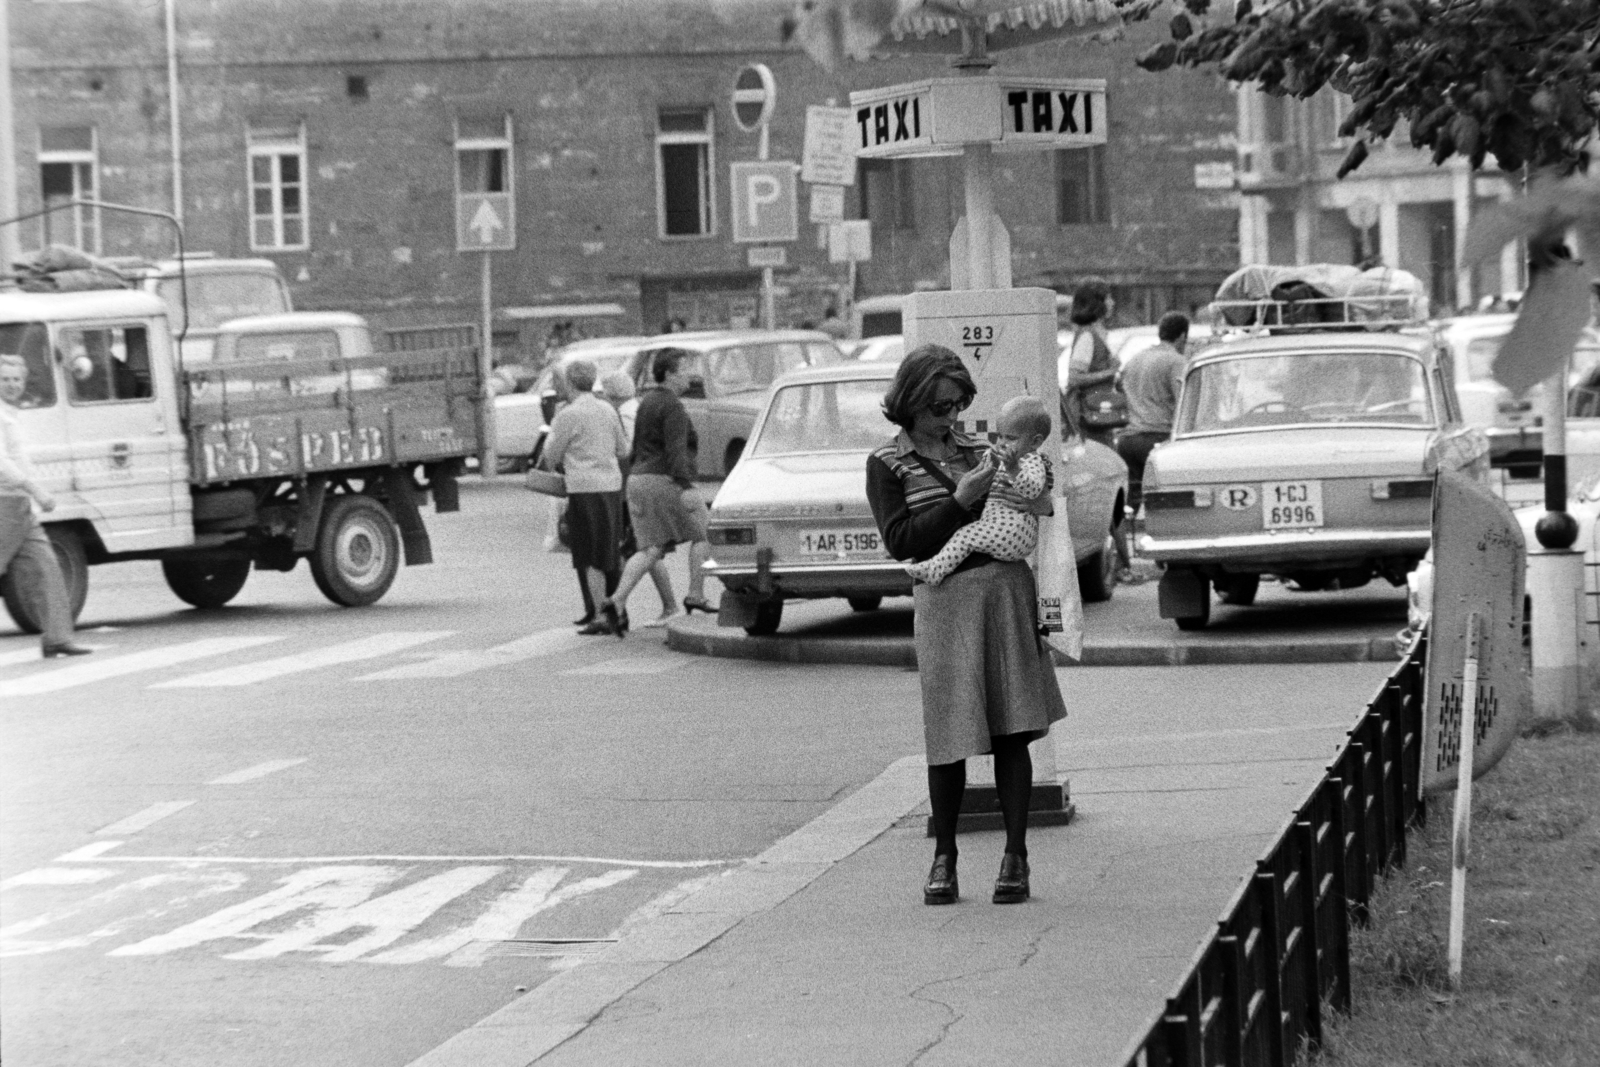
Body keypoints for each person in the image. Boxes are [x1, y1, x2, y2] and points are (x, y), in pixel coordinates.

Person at [866, 345, 1067, 907]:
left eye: (958, 404)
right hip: (945, 600)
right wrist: (959, 500)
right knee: (949, 734)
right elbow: (903, 542)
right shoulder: (887, 463)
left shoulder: (984, 447)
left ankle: (1016, 857)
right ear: (909, 403)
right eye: (939, 407)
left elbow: (1033, 498)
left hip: (1005, 590)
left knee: (1013, 728)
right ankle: (945, 856)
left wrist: (1037, 489)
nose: (951, 417)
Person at [600, 349, 714, 628]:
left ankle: (616, 599)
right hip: (665, 479)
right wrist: (685, 485)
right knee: (706, 533)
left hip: (638, 480)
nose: (690, 375)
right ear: (671, 374)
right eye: (685, 369)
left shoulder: (647, 401)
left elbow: (636, 447)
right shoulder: (673, 405)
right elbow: (676, 450)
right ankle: (696, 594)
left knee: (651, 548)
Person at [905, 395, 1052, 586]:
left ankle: (936, 570)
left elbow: (1032, 491)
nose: (1001, 443)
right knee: (969, 539)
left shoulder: (1031, 460)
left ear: (1035, 442)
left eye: (1011, 438)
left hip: (1012, 530)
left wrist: (1013, 468)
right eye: (999, 436)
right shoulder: (1008, 458)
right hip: (1005, 530)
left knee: (965, 536)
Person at [0, 355, 91, 658]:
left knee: (48, 568)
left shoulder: (11, 413)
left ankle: (56, 638)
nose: (11, 385)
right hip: (5, 505)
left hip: (21, 508)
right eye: (5, 379)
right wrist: (36, 490)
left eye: (16, 379)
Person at [539, 360, 630, 636]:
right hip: (611, 486)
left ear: (570, 382)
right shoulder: (607, 409)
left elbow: (551, 456)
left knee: (590, 556)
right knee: (610, 550)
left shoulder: (568, 414)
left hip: (583, 488)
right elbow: (623, 450)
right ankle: (620, 610)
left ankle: (602, 615)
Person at [1061, 278, 1136, 582]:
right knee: (1109, 487)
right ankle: (1122, 564)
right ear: (1097, 303)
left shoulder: (1093, 335)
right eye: (1108, 297)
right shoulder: (1088, 337)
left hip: (1098, 424)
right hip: (1091, 427)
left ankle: (1121, 563)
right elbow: (1075, 377)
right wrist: (1112, 371)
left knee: (1111, 488)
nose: (1113, 303)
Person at [600, 370, 680, 628]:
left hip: (636, 486)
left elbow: (627, 452)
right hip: (653, 481)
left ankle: (619, 602)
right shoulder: (640, 408)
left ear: (610, 396)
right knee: (648, 548)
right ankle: (668, 606)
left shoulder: (623, 415)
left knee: (645, 547)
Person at [1116, 311, 1189, 519]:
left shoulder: (1135, 358)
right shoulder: (1176, 361)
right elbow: (1183, 400)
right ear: (1182, 336)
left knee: (1130, 503)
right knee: (1162, 501)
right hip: (1156, 438)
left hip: (1127, 440)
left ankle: (1123, 548)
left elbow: (1120, 389)